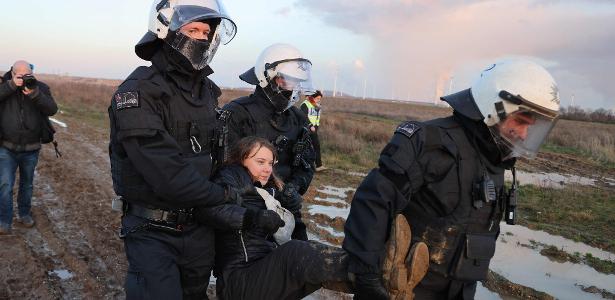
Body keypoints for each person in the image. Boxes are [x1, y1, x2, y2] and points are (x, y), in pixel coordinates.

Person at [343, 59, 561, 299]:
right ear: (494, 107)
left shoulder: (496, 163)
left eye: (530, 127)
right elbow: (373, 201)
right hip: (402, 289)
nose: (523, 134)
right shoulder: (429, 142)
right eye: (519, 121)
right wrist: (365, 274)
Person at [107, 0, 240, 298]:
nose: (202, 39)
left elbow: (218, 157)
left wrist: (234, 184)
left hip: (200, 229)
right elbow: (167, 173)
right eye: (193, 29)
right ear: (164, 30)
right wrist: (225, 196)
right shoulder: (138, 91)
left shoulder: (206, 92)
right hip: (152, 231)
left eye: (207, 32)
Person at [202, 136, 352, 299]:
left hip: (265, 274)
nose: (267, 169)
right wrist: (252, 218)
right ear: (241, 159)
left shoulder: (272, 194)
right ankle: (367, 270)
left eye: (270, 163)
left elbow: (301, 240)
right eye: (260, 162)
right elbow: (210, 211)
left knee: (311, 254)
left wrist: (293, 211)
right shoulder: (229, 179)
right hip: (239, 280)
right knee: (294, 252)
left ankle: (370, 278)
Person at [221, 43, 316, 241]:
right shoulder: (237, 113)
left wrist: (293, 188)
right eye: (287, 81)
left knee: (300, 262)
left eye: (297, 83)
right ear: (268, 78)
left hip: (286, 211)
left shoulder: (298, 119)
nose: (292, 89)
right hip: (246, 213)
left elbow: (307, 164)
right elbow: (224, 168)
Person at [0, 60, 58, 234]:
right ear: (12, 73)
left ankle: (24, 214)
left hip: (31, 148)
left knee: (27, 185)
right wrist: (11, 86)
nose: (25, 78)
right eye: (20, 75)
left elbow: (52, 109)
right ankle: (4, 221)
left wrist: (35, 94)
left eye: (28, 75)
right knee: (5, 184)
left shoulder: (40, 87)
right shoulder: (5, 86)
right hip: (6, 147)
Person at [300, 90, 325, 171]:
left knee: (316, 146)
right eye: (317, 98)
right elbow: (303, 117)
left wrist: (316, 126)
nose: (319, 100)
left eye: (320, 99)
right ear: (312, 97)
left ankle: (318, 165)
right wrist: (310, 125)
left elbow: (317, 118)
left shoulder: (317, 106)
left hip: (314, 130)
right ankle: (303, 165)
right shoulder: (305, 104)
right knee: (304, 148)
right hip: (306, 129)